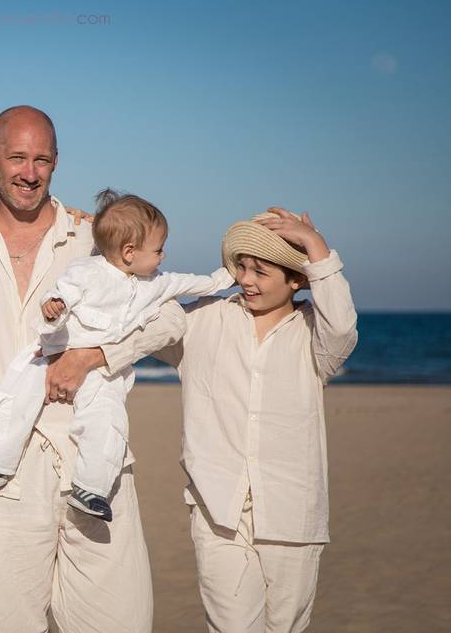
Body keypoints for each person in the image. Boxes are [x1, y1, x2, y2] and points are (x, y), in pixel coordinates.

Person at [0, 105, 185, 633]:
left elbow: (170, 319)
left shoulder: (94, 237)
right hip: (2, 478)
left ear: (56, 163)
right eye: (17, 157)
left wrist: (96, 356)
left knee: (121, 622)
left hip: (94, 465)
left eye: (42, 160)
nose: (29, 173)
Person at [0, 189, 234, 521]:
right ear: (129, 251)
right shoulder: (88, 270)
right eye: (158, 249)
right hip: (51, 353)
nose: (163, 256)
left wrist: (227, 276)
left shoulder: (155, 283)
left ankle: (92, 487)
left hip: (103, 371)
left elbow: (192, 284)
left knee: (106, 421)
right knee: (16, 401)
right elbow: (61, 295)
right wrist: (53, 309)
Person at [154, 208, 357, 632]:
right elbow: (135, 313)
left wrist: (315, 245)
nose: (246, 279)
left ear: (297, 280)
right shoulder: (203, 319)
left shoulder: (315, 338)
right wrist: (102, 240)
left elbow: (343, 327)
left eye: (261, 271)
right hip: (217, 510)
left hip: (292, 513)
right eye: (242, 267)